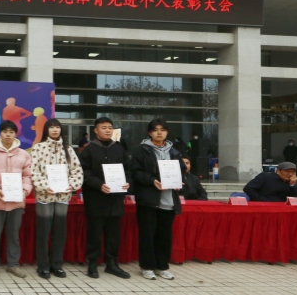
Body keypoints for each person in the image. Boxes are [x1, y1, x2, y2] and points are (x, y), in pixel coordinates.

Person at [29, 118, 83, 280]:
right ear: (46, 130)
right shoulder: (38, 148)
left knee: (59, 232)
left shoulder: (68, 149)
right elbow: (34, 171)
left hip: (62, 196)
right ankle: (43, 266)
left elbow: (77, 170)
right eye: (51, 127)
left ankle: (57, 265)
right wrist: (45, 186)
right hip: (45, 196)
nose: (55, 130)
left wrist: (71, 185)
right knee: (43, 232)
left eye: (57, 127)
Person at [130, 119, 184, 281]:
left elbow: (182, 171)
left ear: (167, 132)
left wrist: (179, 182)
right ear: (149, 133)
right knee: (147, 235)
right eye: (155, 130)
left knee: (164, 236)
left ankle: (162, 266)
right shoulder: (141, 150)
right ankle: (147, 267)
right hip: (148, 200)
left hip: (168, 201)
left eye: (162, 129)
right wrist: (152, 180)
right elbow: (135, 172)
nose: (159, 133)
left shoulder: (174, 152)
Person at [79, 117, 132, 279]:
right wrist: (98, 184)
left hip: (115, 199)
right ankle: (92, 263)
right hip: (96, 198)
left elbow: (129, 170)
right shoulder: (88, 150)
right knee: (94, 233)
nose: (108, 130)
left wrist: (128, 182)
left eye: (110, 127)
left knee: (113, 233)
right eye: (104, 128)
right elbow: (83, 173)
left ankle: (112, 264)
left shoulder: (119, 149)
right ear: (96, 130)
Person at [0, 120, 33, 279]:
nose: (8, 135)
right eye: (5, 131)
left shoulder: (24, 155)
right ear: (0, 134)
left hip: (16, 202)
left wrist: (25, 191)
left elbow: (27, 176)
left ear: (16, 134)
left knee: (14, 236)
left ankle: (13, 264)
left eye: (11, 132)